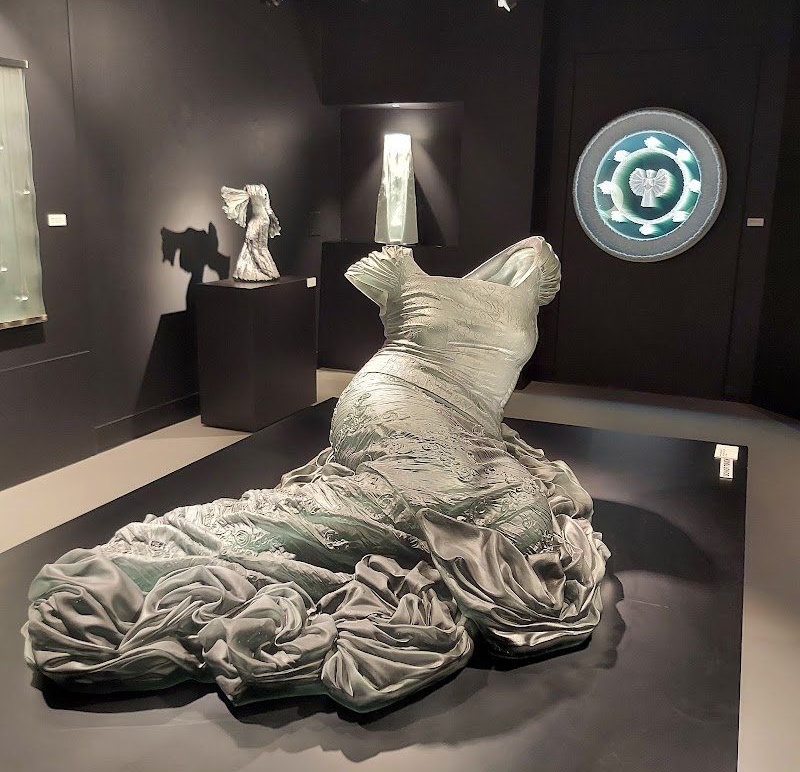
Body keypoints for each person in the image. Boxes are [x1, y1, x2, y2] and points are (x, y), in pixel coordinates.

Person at [24, 237, 609, 712]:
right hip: (391, 398)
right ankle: (172, 549)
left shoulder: (533, 265)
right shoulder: (401, 272)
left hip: (466, 416)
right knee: (462, 508)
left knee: (522, 522)